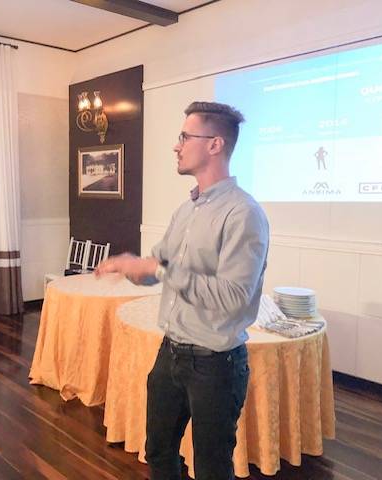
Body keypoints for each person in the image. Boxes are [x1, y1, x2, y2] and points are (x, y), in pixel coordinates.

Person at [95, 101, 269, 480]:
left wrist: (158, 269)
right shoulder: (186, 211)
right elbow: (158, 269)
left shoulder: (243, 214)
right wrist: (131, 267)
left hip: (215, 365)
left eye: (185, 137)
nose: (177, 146)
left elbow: (232, 297)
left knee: (211, 469)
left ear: (214, 145)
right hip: (170, 353)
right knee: (158, 452)